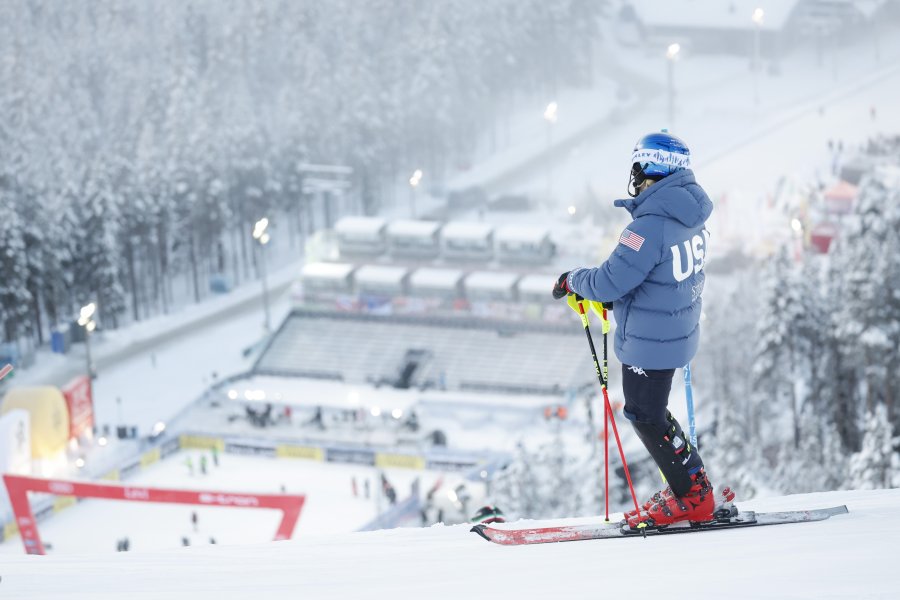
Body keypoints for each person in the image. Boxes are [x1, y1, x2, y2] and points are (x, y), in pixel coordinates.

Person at [552, 130, 715, 529]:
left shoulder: (647, 227)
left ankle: (692, 496)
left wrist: (573, 280)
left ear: (650, 170)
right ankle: (691, 484)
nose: (635, 177)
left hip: (649, 343)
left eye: (638, 169)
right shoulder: (688, 213)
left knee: (644, 415)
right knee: (652, 413)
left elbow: (609, 280)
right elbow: (654, 275)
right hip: (675, 331)